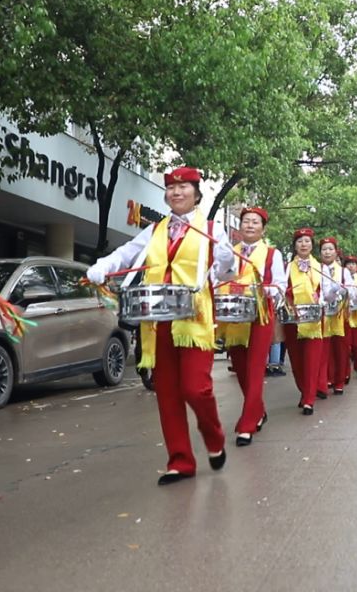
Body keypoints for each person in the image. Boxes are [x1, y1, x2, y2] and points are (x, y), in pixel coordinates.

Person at [88, 165, 235, 486]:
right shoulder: (155, 229)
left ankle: (213, 435)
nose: (176, 192)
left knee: (196, 389)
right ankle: (180, 461)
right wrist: (102, 266)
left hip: (194, 320)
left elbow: (227, 272)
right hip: (157, 321)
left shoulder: (212, 229)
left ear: (197, 193)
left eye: (183, 187)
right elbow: (128, 253)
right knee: (166, 392)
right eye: (171, 187)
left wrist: (225, 258)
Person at [217, 206, 286, 447]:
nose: (249, 225)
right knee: (240, 368)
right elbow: (218, 277)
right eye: (246, 221)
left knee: (256, 368)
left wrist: (263, 291)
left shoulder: (272, 254)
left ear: (263, 229)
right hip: (234, 315)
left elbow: (280, 285)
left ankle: (247, 425)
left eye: (255, 222)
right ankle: (258, 410)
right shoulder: (229, 252)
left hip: (260, 315)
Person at [283, 228, 329, 415]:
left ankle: (309, 398)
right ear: (295, 246)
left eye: (307, 241)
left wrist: (323, 298)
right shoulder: (287, 267)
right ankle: (304, 390)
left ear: (312, 245)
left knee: (312, 359)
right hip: (292, 319)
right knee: (296, 360)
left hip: (314, 319)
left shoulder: (320, 268)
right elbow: (280, 288)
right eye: (300, 241)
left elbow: (328, 291)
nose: (303, 244)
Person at [318, 237, 354, 395]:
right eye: (324, 249)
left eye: (330, 249)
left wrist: (344, 291)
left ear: (336, 252)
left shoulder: (344, 271)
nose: (327, 252)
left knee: (341, 349)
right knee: (324, 349)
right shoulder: (316, 269)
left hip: (340, 314)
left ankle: (339, 380)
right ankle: (327, 378)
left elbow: (352, 291)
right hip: (323, 313)